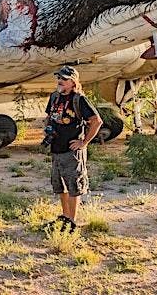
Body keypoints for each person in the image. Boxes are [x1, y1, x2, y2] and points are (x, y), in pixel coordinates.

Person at [43, 66, 103, 233]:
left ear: (73, 82)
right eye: (59, 78)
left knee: (73, 186)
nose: (60, 81)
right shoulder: (54, 97)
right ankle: (64, 216)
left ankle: (72, 221)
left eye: (64, 79)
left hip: (71, 151)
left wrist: (84, 142)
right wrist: (47, 128)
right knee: (59, 185)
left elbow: (96, 121)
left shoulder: (79, 100)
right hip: (56, 148)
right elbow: (49, 116)